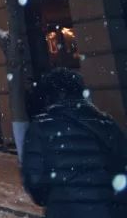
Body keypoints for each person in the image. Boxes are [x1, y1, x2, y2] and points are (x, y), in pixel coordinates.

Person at [22, 68, 127, 218]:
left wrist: (57, 197)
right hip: (111, 211)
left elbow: (35, 181)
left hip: (66, 211)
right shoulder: (107, 123)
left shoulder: (41, 127)